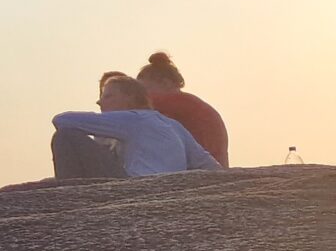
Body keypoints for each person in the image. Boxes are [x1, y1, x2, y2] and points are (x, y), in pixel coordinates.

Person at [50, 73, 220, 178]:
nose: (99, 101)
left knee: (65, 136)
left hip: (136, 184)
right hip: (166, 186)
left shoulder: (133, 119)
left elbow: (61, 120)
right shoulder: (172, 125)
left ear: (129, 98)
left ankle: (70, 192)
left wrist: (98, 127)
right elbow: (208, 164)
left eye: (108, 96)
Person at [136, 51, 229, 166]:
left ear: (166, 83)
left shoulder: (167, 103)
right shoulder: (193, 104)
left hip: (196, 171)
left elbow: (131, 115)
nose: (142, 96)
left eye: (146, 90)